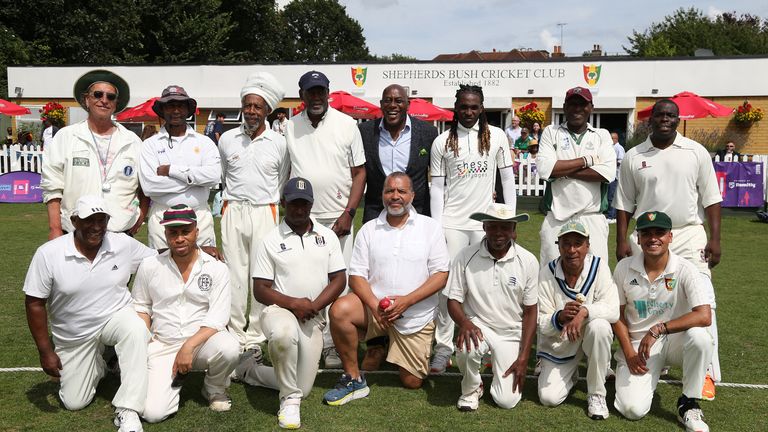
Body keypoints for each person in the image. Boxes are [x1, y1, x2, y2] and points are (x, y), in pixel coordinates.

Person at [614, 99, 722, 401]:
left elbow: (711, 198)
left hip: (688, 234)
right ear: (650, 121)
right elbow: (624, 204)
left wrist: (715, 239)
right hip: (647, 236)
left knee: (703, 303)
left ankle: (706, 375)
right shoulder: (635, 155)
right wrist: (621, 241)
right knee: (645, 297)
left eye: (670, 115)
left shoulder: (696, 152)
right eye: (659, 115)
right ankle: (653, 355)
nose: (665, 119)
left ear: (678, 119)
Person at [23, 195, 156, 432]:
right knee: (75, 402)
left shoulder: (122, 244)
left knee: (136, 329)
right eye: (89, 220)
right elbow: (34, 302)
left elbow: (159, 260)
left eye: (102, 220)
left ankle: (128, 410)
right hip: (75, 335)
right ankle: (102, 361)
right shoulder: (48, 253)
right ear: (74, 221)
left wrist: (201, 251)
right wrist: (45, 352)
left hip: (114, 317)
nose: (96, 227)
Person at [323, 172, 449, 405]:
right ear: (382, 195)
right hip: (375, 311)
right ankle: (353, 378)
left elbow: (441, 276)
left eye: (401, 191)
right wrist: (374, 305)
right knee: (340, 310)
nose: (395, 196)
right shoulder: (369, 229)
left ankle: (389, 346)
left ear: (412, 194)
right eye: (389, 191)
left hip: (415, 316)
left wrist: (406, 301)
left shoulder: (430, 227)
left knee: (412, 382)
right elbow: (357, 276)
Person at [236, 177, 346, 429]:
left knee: (304, 386)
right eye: (294, 204)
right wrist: (294, 303)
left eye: (304, 204)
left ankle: (248, 370)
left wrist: (314, 306)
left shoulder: (326, 236)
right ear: (284, 202)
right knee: (284, 336)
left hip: (312, 317)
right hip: (278, 312)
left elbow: (339, 279)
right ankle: (288, 400)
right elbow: (260, 290)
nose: (299, 209)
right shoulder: (271, 239)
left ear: (311, 204)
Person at [429, 84, 516, 374]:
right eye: (463, 107)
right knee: (447, 288)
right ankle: (443, 348)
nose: (468, 112)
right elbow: (437, 188)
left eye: (474, 107)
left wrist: (509, 220)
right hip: (452, 224)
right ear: (456, 108)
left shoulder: (498, 137)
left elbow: (507, 182)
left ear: (482, 108)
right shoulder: (443, 141)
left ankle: (488, 345)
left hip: (485, 225)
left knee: (485, 287)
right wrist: (437, 227)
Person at [285, 70, 366, 368]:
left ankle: (333, 346)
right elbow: (285, 172)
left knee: (338, 285)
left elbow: (359, 173)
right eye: (310, 92)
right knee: (303, 281)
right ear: (302, 95)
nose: (316, 97)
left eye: (321, 91)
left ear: (328, 92)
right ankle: (306, 343)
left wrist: (348, 213)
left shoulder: (347, 125)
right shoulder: (289, 127)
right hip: (301, 218)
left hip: (338, 218)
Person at [132, 204, 239, 423]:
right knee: (153, 414)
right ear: (165, 234)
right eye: (173, 232)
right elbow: (141, 306)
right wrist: (143, 340)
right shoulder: (149, 266)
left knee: (230, 347)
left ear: (197, 232)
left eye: (185, 231)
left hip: (201, 343)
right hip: (163, 343)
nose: (180, 238)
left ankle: (214, 388)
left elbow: (218, 318)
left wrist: (188, 346)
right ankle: (169, 380)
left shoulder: (216, 268)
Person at [612, 211, 713, 432]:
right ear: (638, 238)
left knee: (700, 338)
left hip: (674, 340)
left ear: (670, 237)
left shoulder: (686, 268)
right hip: (640, 346)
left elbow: (704, 315)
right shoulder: (623, 267)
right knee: (632, 409)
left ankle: (688, 403)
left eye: (660, 232)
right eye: (646, 233)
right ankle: (635, 372)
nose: (653, 238)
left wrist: (660, 328)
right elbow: (617, 316)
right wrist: (628, 352)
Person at [218, 72, 289, 368]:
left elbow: (283, 178)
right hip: (233, 208)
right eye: (247, 105)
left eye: (258, 107)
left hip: (265, 210)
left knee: (260, 276)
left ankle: (256, 335)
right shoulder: (227, 139)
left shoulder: (279, 142)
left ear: (268, 111)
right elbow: (222, 176)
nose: (251, 111)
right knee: (234, 272)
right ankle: (234, 333)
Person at [446, 203, 538, 411]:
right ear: (484, 227)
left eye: (505, 227)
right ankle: (471, 388)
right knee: (467, 347)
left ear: (514, 231)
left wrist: (524, 357)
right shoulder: (465, 256)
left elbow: (531, 311)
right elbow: (453, 300)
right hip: (479, 326)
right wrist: (464, 323)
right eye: (493, 226)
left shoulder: (528, 261)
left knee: (506, 401)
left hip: (511, 332)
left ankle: (498, 370)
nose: (499, 233)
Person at [42, 69, 147, 240]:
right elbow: (52, 185)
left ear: (116, 103)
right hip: (76, 232)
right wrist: (55, 228)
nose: (104, 100)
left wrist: (141, 215)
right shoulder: (66, 136)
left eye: (110, 96)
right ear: (87, 99)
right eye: (98, 94)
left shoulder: (132, 141)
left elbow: (145, 186)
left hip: (120, 234)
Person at [536, 219, 619, 420]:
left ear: (587, 245)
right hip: (562, 343)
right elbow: (539, 320)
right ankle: (571, 373)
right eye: (566, 244)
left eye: (578, 243)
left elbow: (613, 310)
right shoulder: (547, 272)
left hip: (591, 335)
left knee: (600, 327)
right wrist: (560, 317)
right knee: (548, 398)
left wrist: (584, 312)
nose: (572, 250)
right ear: (559, 246)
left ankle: (597, 394)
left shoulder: (599, 267)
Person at [536, 86, 616, 265]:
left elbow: (607, 173)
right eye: (572, 104)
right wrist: (587, 160)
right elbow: (545, 170)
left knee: (596, 275)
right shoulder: (551, 132)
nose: (577, 108)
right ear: (564, 107)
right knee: (551, 275)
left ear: (591, 107)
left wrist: (563, 170)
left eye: (582, 104)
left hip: (592, 217)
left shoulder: (601, 135)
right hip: (557, 217)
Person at [139, 85, 221, 251]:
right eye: (170, 105)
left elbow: (213, 176)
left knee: (203, 270)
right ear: (162, 110)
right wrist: (196, 181)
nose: (176, 110)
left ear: (188, 109)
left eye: (180, 105)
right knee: (163, 272)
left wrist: (171, 171)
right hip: (162, 216)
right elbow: (149, 186)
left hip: (199, 216)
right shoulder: (150, 145)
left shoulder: (204, 142)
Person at [360, 84, 438, 222]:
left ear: (408, 105)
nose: (392, 105)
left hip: (417, 213)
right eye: (388, 100)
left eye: (398, 101)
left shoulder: (428, 132)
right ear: (381, 104)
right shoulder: (365, 132)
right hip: (376, 213)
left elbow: (437, 175)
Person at [605, 132, 625, 223]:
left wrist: (609, 165)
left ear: (616, 139)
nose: (610, 140)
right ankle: (610, 214)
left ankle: (612, 216)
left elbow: (620, 160)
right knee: (609, 195)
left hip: (616, 176)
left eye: (611, 138)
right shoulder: (611, 148)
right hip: (611, 175)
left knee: (612, 196)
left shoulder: (619, 148)